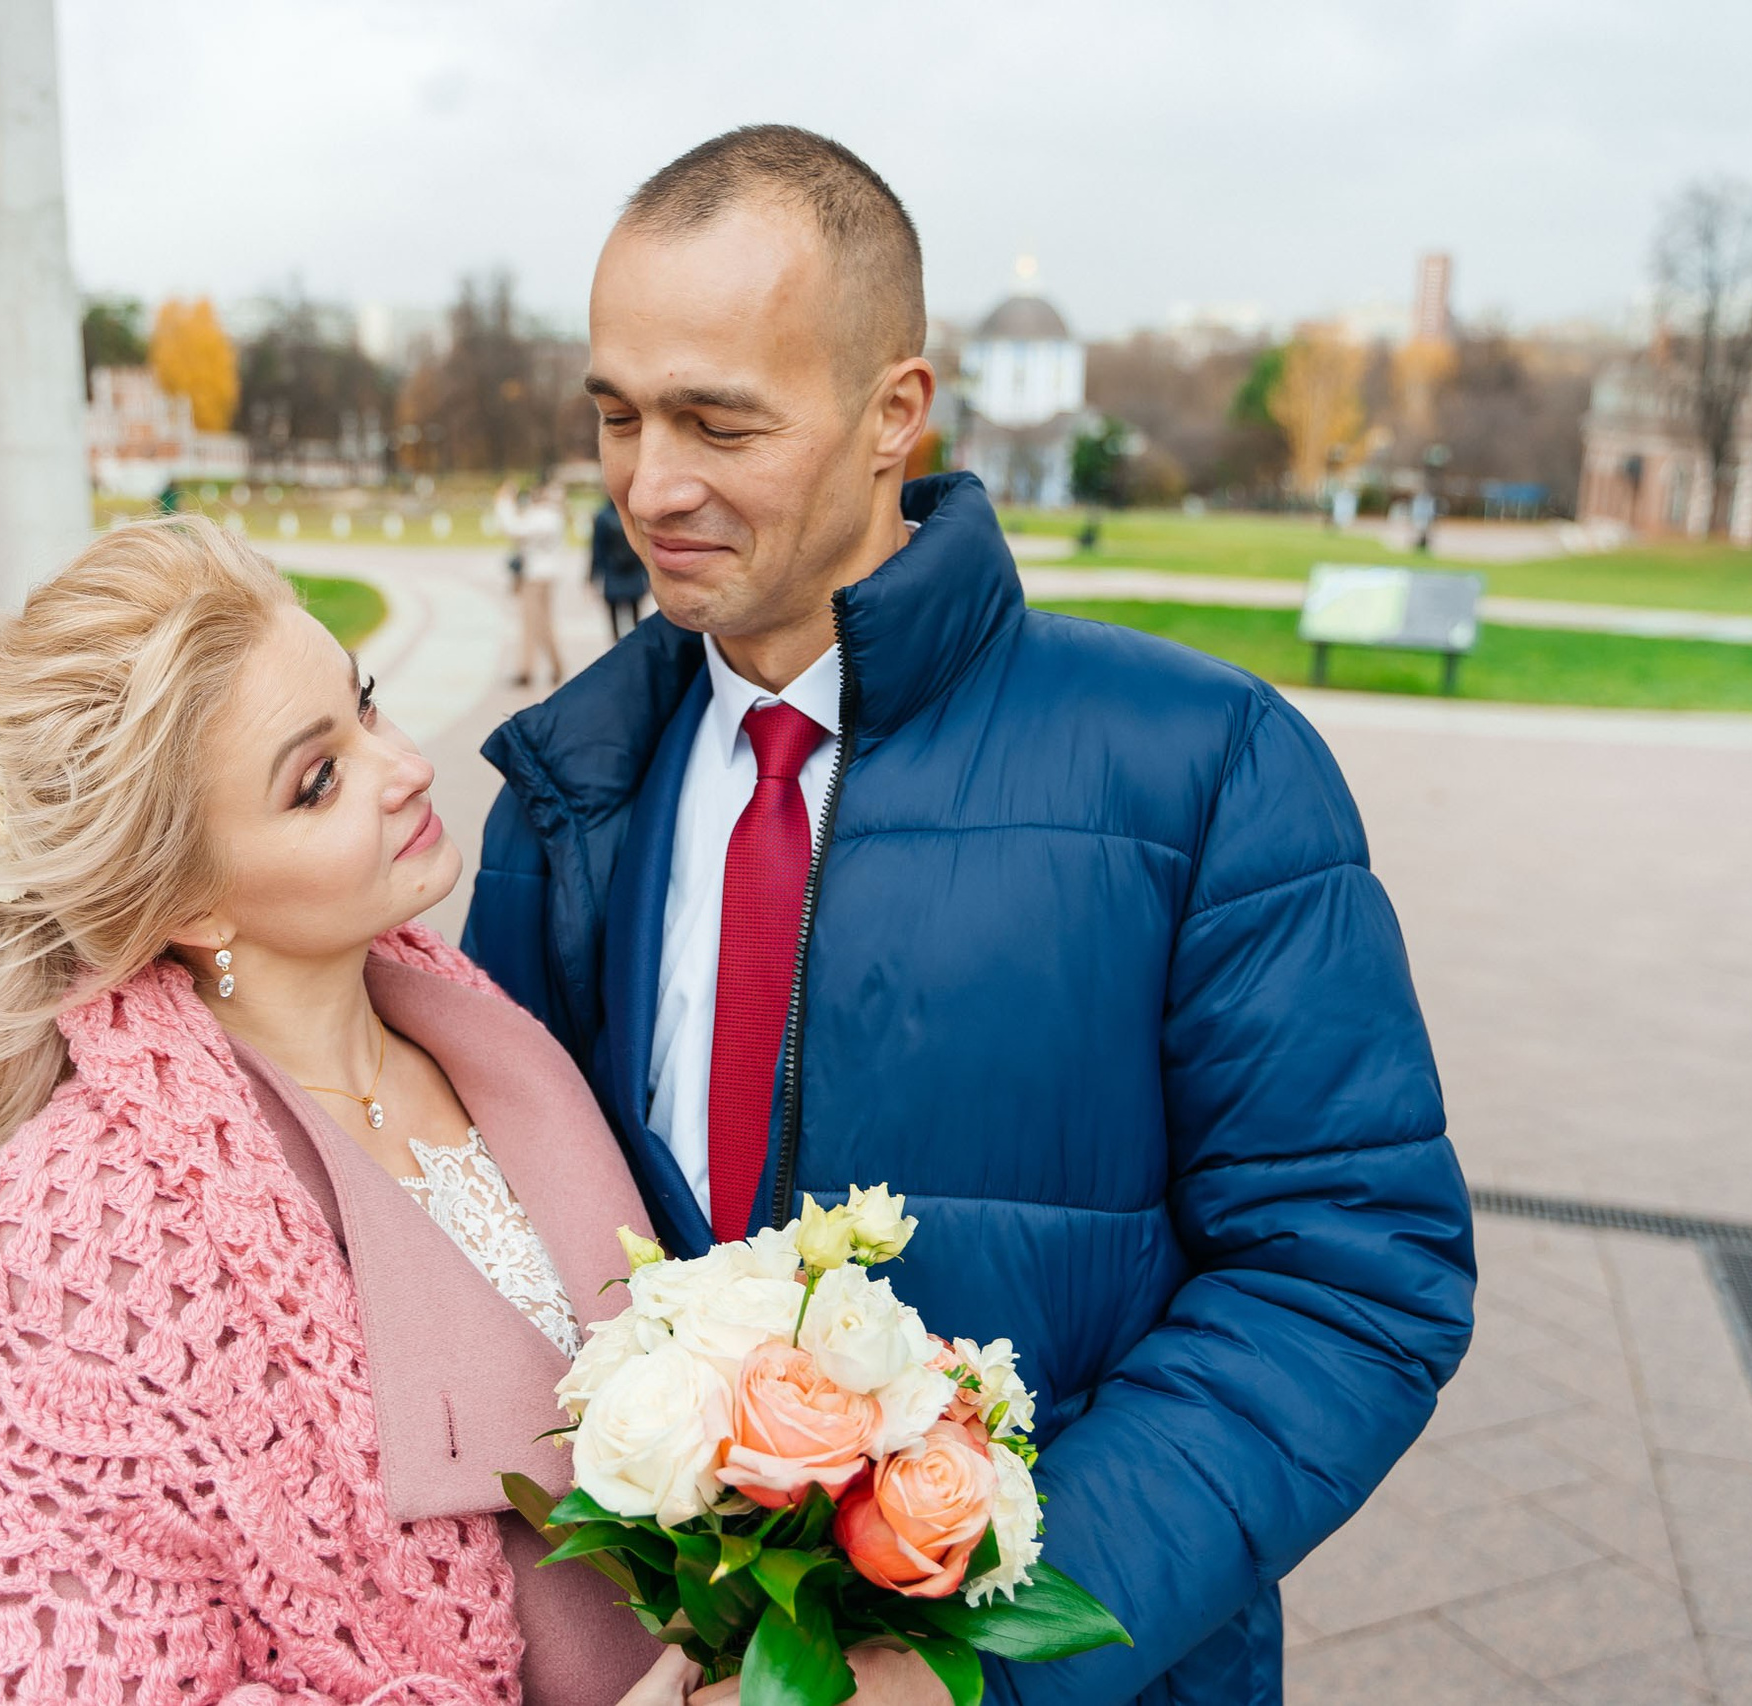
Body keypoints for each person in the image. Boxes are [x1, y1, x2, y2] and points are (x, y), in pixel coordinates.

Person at [463, 126, 1475, 1706]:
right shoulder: (560, 795)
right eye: (617, 415)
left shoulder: (1201, 764)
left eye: (720, 423)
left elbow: (1348, 1273)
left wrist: (964, 1660)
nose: (651, 485)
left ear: (895, 414)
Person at [0, 516, 690, 1706]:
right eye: (317, 779)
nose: (404, 766)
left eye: (365, 705)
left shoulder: (474, 1025)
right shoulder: (47, 1266)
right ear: (189, 898)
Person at [499, 479, 571, 688]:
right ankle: (550, 666)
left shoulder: (543, 516)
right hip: (546, 575)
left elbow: (513, 528)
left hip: (535, 577)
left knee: (532, 623)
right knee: (541, 622)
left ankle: (528, 670)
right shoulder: (553, 515)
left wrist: (504, 501)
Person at [591, 495, 651, 639]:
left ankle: (617, 645)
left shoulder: (602, 516)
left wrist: (593, 576)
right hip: (634, 573)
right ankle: (637, 645)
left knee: (613, 617)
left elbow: (597, 549)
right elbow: (644, 546)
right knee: (636, 613)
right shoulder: (634, 515)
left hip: (613, 573)